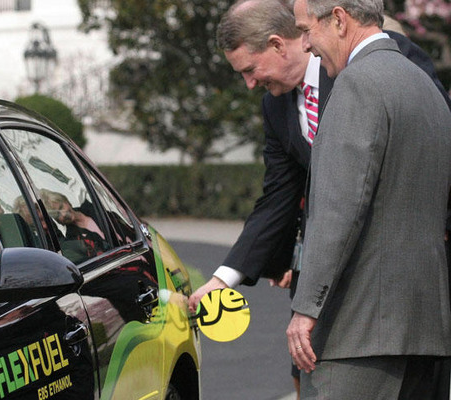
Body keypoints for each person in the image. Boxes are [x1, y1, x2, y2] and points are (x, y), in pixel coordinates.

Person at [186, 0, 451, 396]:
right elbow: (279, 196)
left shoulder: (370, 72)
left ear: (279, 44)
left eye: (249, 69)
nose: (249, 83)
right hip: (408, 319)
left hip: (365, 316)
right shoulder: (277, 107)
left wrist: (308, 306)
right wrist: (226, 277)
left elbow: (346, 204)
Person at [287, 0, 451, 397]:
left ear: (339, 19)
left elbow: (339, 210)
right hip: (426, 331)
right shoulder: (425, 86)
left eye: (307, 29)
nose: (305, 44)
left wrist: (306, 308)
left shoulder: (358, 83)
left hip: (358, 334)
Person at [39, 189, 108, 262]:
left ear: (67, 201)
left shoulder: (93, 207)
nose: (64, 214)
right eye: (58, 215)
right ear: (57, 221)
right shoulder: (73, 240)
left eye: (61, 207)